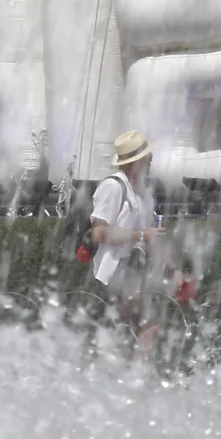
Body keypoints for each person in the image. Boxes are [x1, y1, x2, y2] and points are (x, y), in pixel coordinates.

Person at [87, 129, 163, 359]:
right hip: (117, 270)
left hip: (134, 268)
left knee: (126, 329)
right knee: (148, 324)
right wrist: (140, 236)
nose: (152, 159)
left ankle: (118, 375)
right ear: (136, 161)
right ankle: (138, 381)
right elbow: (99, 232)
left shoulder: (140, 192)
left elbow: (150, 234)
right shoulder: (113, 187)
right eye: (147, 156)